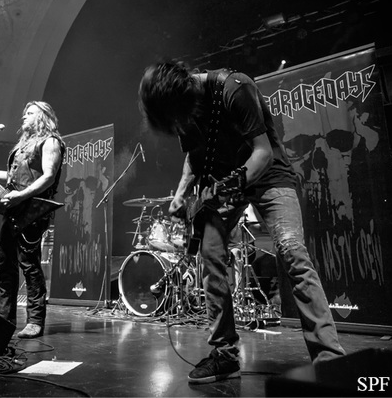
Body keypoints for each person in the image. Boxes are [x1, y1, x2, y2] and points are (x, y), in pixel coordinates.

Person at [138, 61, 345, 384]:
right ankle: (225, 354)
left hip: (268, 175)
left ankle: (330, 359)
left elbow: (262, 153)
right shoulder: (185, 109)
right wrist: (181, 194)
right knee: (210, 257)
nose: (179, 125)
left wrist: (223, 190)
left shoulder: (235, 88)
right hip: (222, 184)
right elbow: (194, 156)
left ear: (183, 94)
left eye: (177, 119)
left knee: (292, 252)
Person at [0, 101, 65, 339]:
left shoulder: (50, 142)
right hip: (13, 210)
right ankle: (5, 317)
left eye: (30, 113)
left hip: (32, 211)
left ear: (43, 117)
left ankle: (35, 320)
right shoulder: (22, 146)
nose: (24, 117)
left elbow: (49, 176)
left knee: (29, 264)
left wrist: (20, 196)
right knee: (5, 264)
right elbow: (10, 177)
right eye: (24, 113)